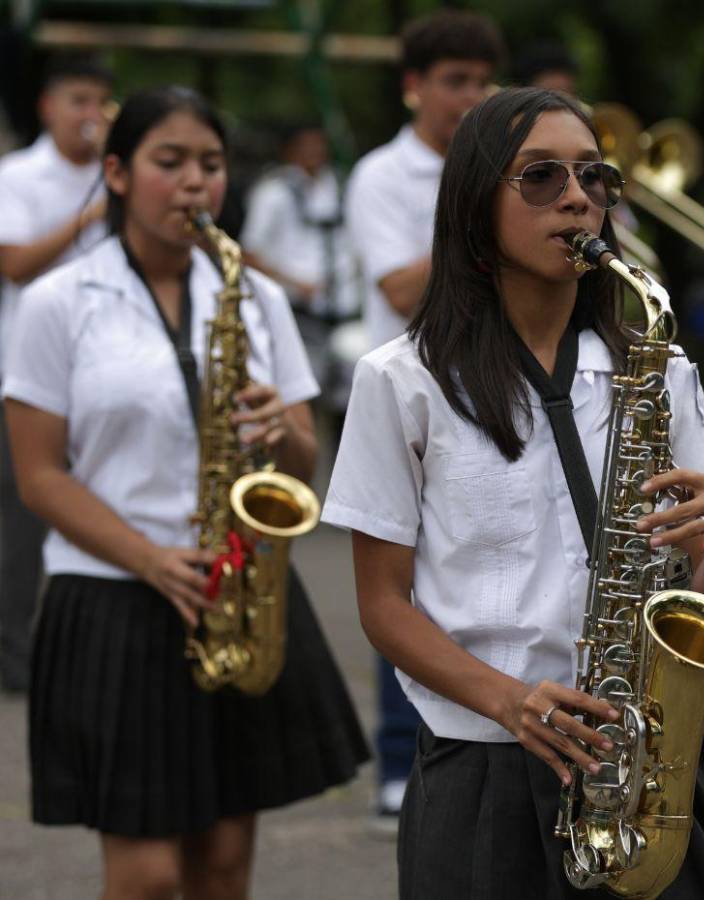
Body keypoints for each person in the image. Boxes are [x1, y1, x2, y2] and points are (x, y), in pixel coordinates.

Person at [322, 86, 704, 899]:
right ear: (476, 207)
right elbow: (383, 605)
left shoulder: (661, 370)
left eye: (593, 176)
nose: (578, 196)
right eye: (540, 177)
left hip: (645, 766)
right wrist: (511, 702)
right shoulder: (399, 381)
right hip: (484, 767)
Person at [2, 86, 368, 899]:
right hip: (113, 599)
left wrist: (288, 434)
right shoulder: (57, 301)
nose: (195, 184)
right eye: (169, 163)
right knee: (146, 876)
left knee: (224, 865)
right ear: (118, 174)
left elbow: (298, 474)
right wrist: (151, 559)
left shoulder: (254, 295)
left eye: (209, 164)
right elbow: (39, 476)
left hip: (240, 588)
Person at [343, 7, 504, 827]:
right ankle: (401, 760)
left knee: (483, 572)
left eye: (482, 83)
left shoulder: (514, 168)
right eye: (454, 82)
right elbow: (400, 290)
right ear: (413, 87)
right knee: (401, 583)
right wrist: (484, 213)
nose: (471, 98)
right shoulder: (381, 175)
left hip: (495, 392)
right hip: (409, 395)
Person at [0, 54, 112, 694]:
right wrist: (87, 215)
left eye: (100, 101)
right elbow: (16, 264)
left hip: (100, 375)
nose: (90, 116)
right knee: (23, 525)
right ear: (48, 107)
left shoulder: (118, 175)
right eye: (78, 100)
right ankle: (15, 658)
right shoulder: (19, 175)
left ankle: (77, 652)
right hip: (31, 378)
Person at [241, 122, 362, 420]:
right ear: (289, 151)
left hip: (342, 309)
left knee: (350, 398)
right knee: (305, 395)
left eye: (319, 146)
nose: (314, 153)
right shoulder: (273, 193)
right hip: (299, 312)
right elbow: (249, 253)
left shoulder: (338, 186)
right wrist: (296, 284)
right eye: (305, 146)